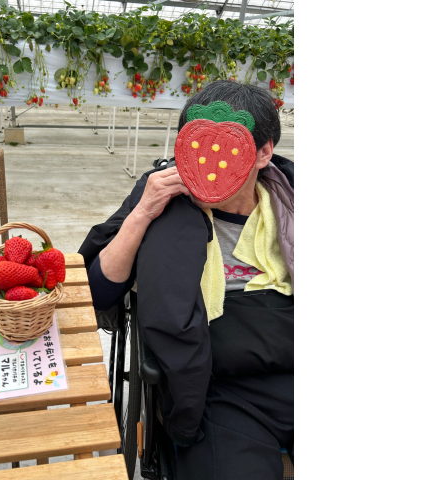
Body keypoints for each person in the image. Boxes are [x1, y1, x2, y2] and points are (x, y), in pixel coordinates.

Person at [79, 80, 294, 480]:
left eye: (228, 147)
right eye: (196, 146)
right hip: (217, 390)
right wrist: (142, 214)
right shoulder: (158, 195)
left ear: (264, 152)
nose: (211, 161)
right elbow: (96, 293)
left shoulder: (291, 200)